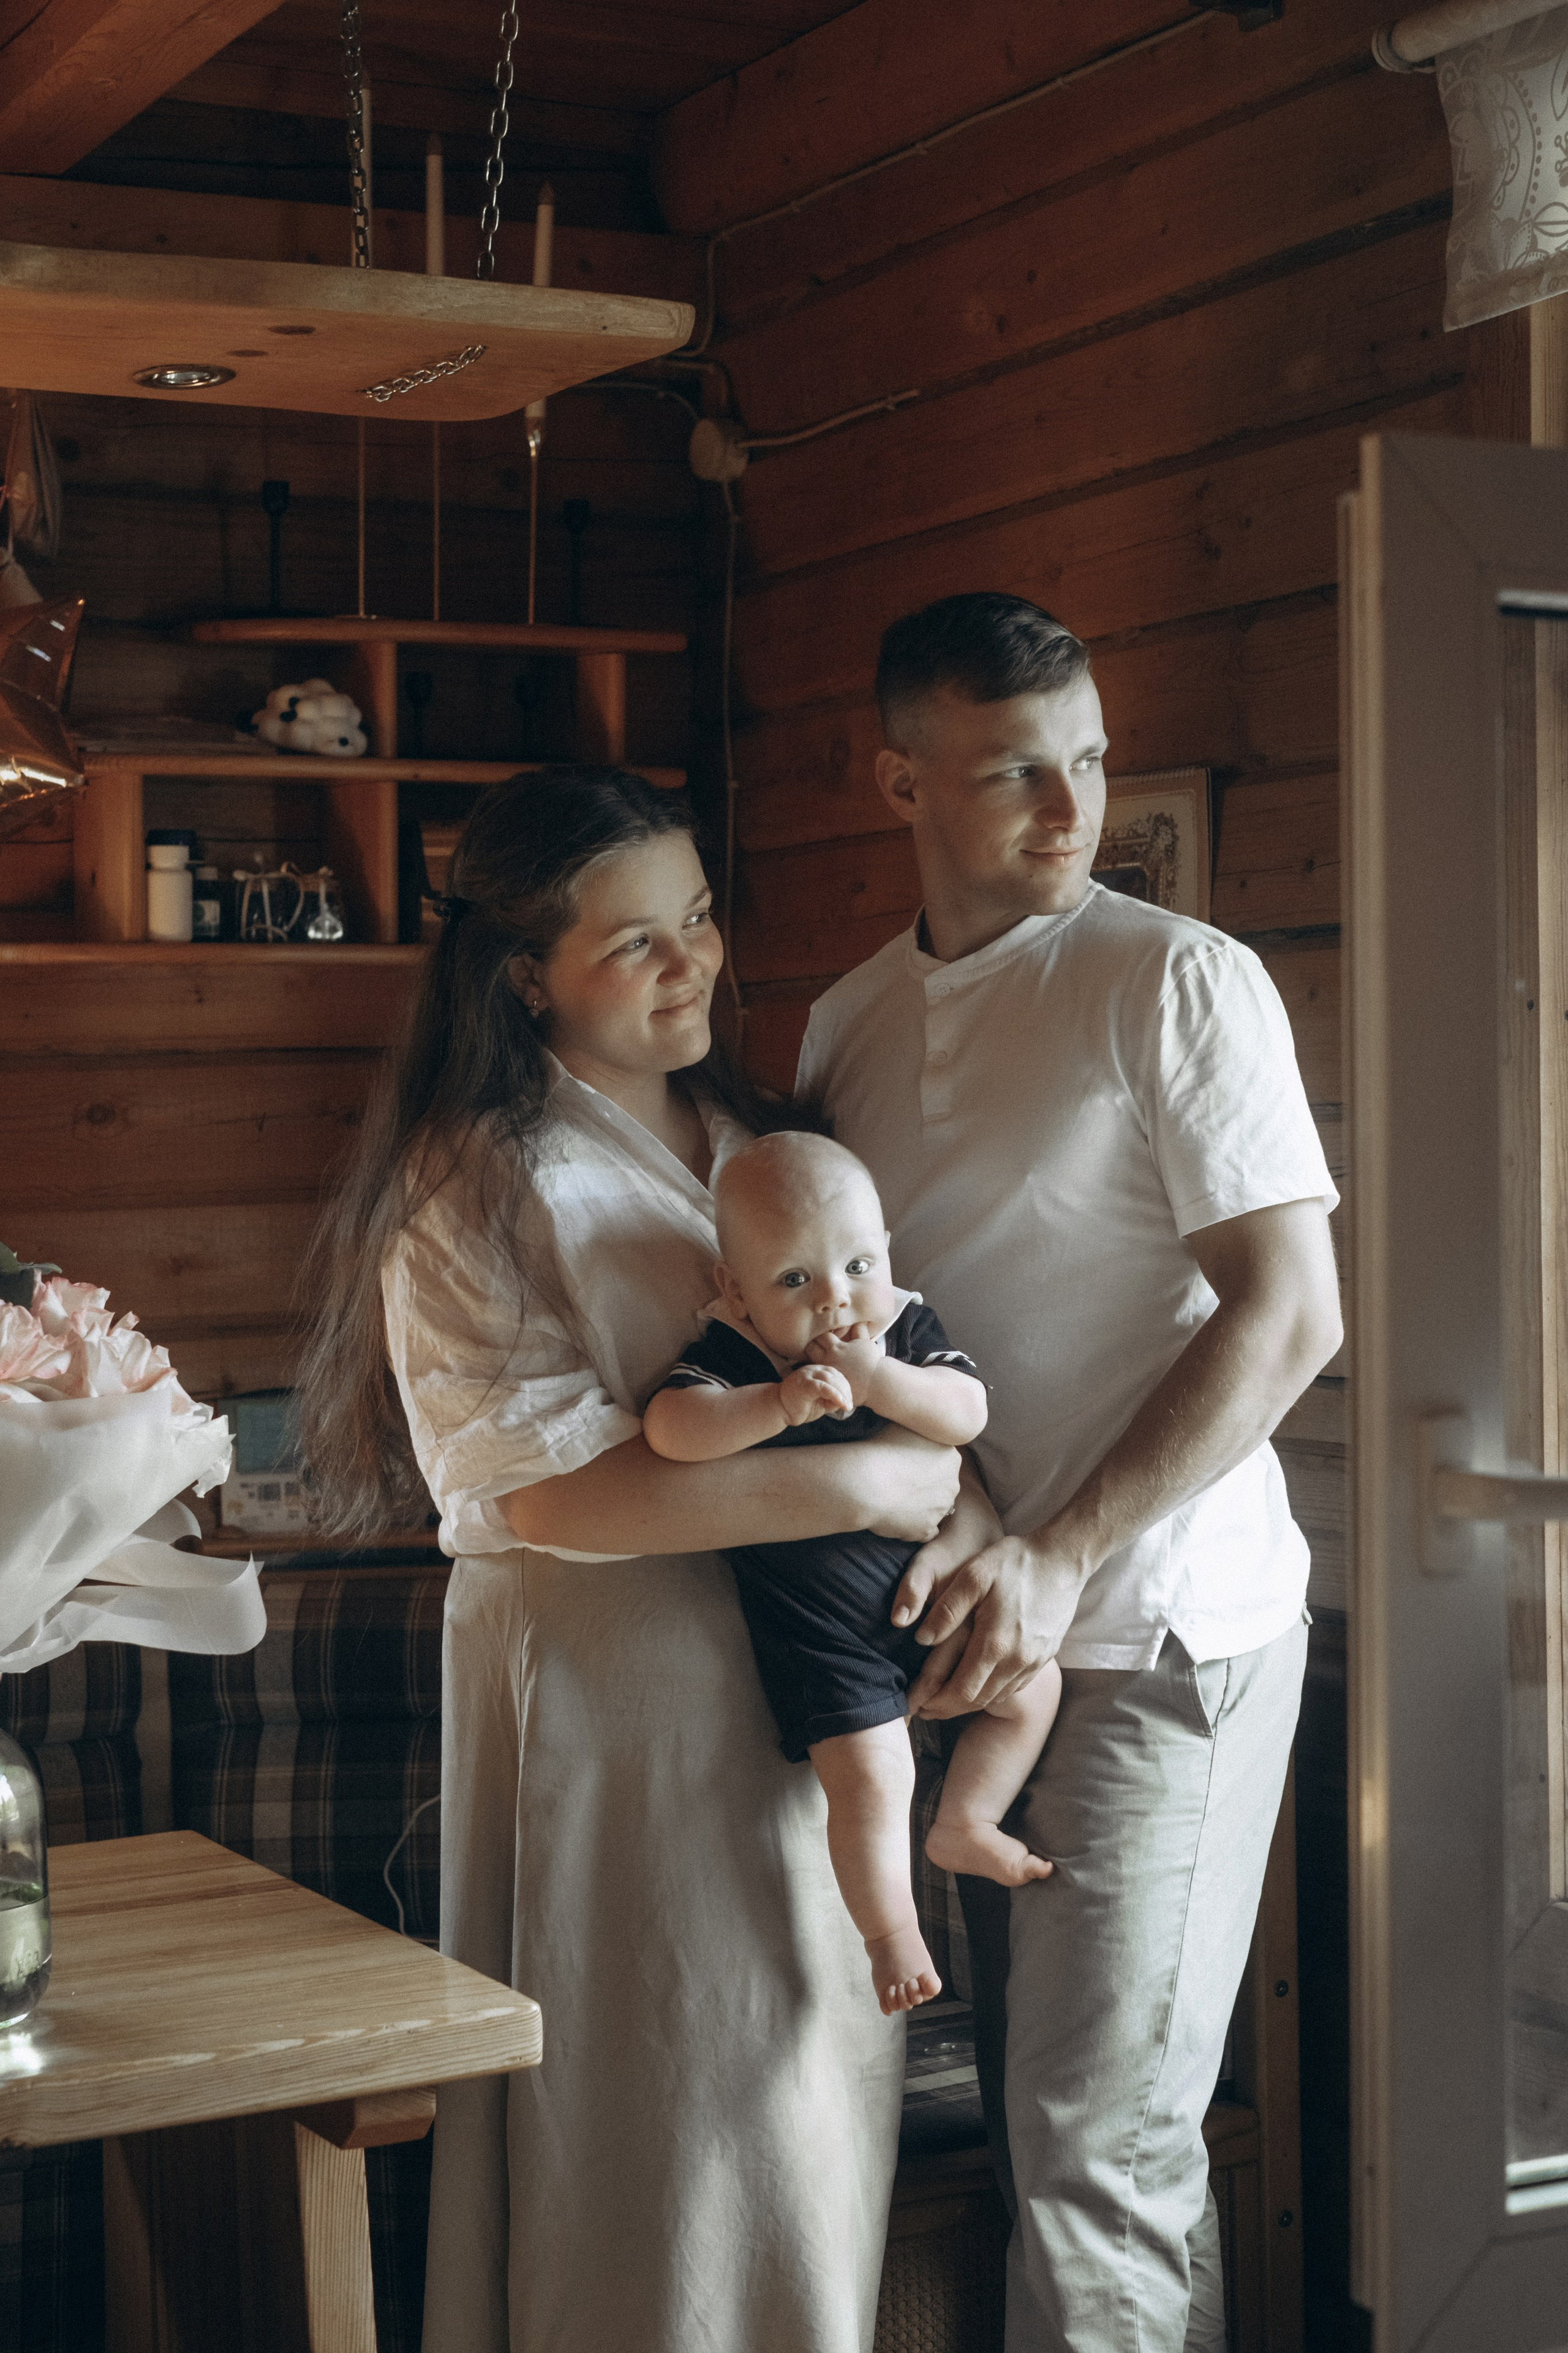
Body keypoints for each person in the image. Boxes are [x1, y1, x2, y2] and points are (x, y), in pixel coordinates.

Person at [296, 767, 972, 2353]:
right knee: (649, 2112)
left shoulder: (762, 1141)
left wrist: (920, 1475)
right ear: (527, 973)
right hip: (612, 1691)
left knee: (802, 2088)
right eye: (638, 945)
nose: (696, 966)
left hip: (806, 1686)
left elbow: (901, 1357)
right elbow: (558, 1501)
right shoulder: (477, 1172)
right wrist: (880, 1482)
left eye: (703, 921)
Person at [796, 594, 1343, 2353]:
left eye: (1091, 761)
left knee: (1100, 2151)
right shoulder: (843, 1026)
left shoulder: (1178, 978)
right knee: (1088, 2160)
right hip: (970, 1648)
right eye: (1020, 770)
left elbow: (1290, 1319)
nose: (1073, 806)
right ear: (899, 780)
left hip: (1165, 1637)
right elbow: (861, 1340)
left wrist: (1058, 1548)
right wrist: (973, 1539)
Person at [644, 1129, 1058, 2017]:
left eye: (857, 1264)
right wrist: (776, 1403)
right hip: (826, 1641)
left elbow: (967, 1409)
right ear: (737, 1291)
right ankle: (891, 1935)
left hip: (933, 1600)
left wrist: (880, 1380)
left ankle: (966, 1822)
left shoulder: (902, 1327)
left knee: (1034, 1685)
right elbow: (671, 1431)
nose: (836, 1300)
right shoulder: (740, 1352)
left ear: (888, 1252)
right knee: (873, 1778)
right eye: (795, 1281)